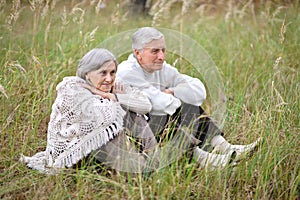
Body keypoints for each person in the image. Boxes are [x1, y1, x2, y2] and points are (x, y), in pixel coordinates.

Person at [116, 27, 262, 169]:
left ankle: (225, 147)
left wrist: (173, 92)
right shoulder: (127, 72)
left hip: (151, 123)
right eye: (154, 51)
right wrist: (179, 97)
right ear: (138, 53)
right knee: (161, 114)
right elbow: (157, 104)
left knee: (184, 106)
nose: (161, 56)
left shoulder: (161, 68)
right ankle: (205, 159)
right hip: (130, 132)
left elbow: (198, 90)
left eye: (163, 50)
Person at [20, 48, 158, 174]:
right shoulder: (73, 89)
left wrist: (114, 96)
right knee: (114, 116)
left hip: (104, 153)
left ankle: (153, 161)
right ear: (87, 74)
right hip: (80, 155)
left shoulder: (115, 86)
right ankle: (135, 171)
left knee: (134, 114)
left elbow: (146, 105)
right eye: (103, 73)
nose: (109, 78)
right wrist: (116, 101)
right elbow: (98, 117)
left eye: (112, 72)